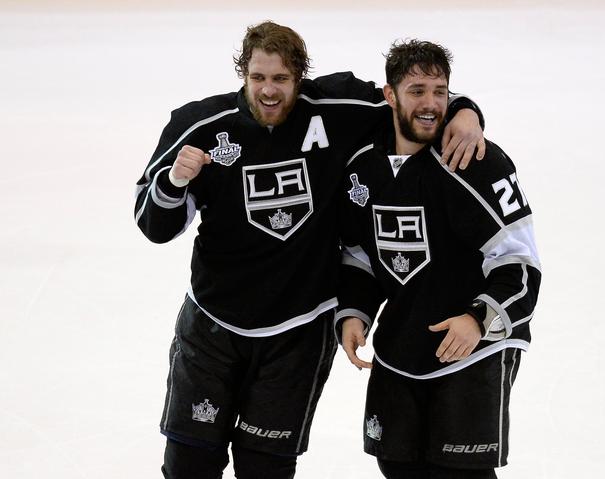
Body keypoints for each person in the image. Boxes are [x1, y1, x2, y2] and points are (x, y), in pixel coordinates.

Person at [135, 21, 485, 479]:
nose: (269, 91)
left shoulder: (335, 107)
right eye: (258, 77)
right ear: (244, 74)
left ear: (300, 78)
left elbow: (407, 99)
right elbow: (153, 226)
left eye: (281, 79)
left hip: (298, 334)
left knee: (265, 470)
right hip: (212, 330)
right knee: (189, 466)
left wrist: (465, 110)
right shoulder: (199, 126)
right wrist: (175, 182)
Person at [337, 39, 541, 479]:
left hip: (473, 350)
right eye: (417, 91)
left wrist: (478, 319)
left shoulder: (476, 161)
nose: (431, 103)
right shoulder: (363, 167)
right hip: (402, 347)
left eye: (440, 90)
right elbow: (359, 254)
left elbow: (521, 267)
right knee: (396, 464)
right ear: (389, 95)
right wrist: (355, 311)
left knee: (459, 473)